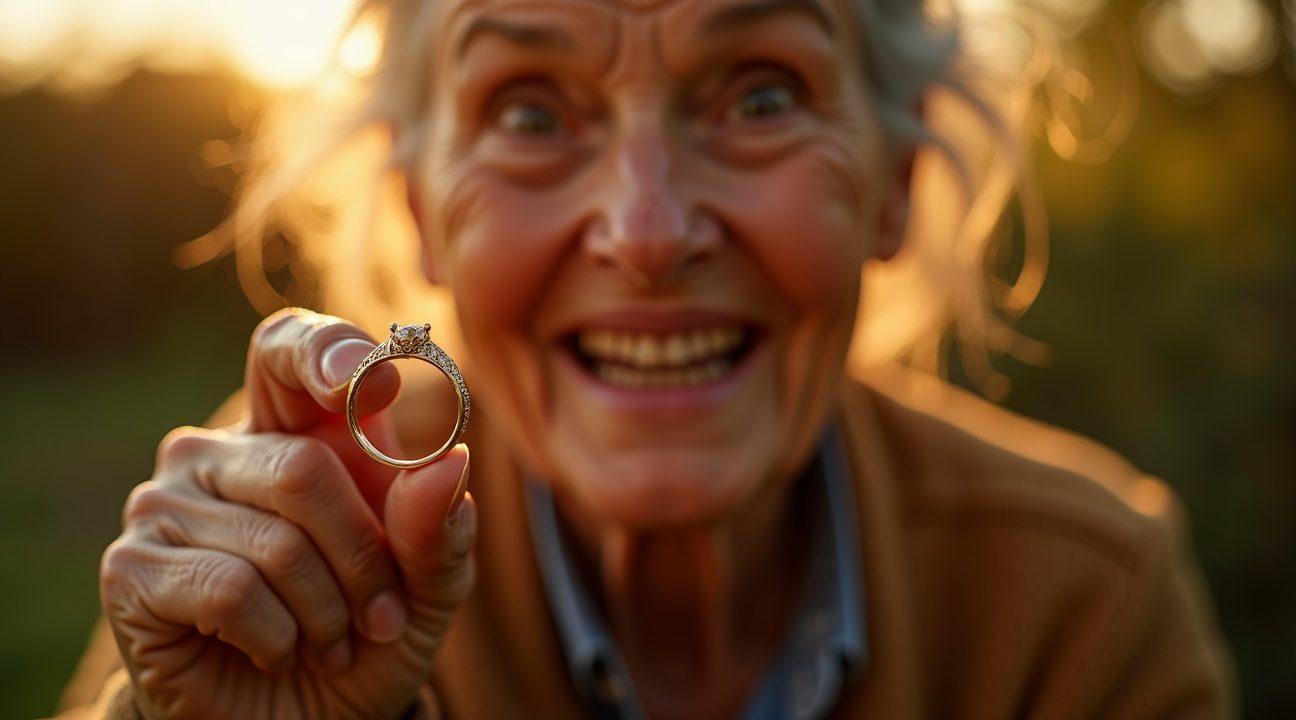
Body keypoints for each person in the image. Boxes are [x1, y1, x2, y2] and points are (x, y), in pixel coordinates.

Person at [56, 0, 1235, 717]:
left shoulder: (1082, 604)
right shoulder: (289, 556)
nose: (649, 229)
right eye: (528, 111)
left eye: (760, 95)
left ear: (896, 185)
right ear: (421, 210)